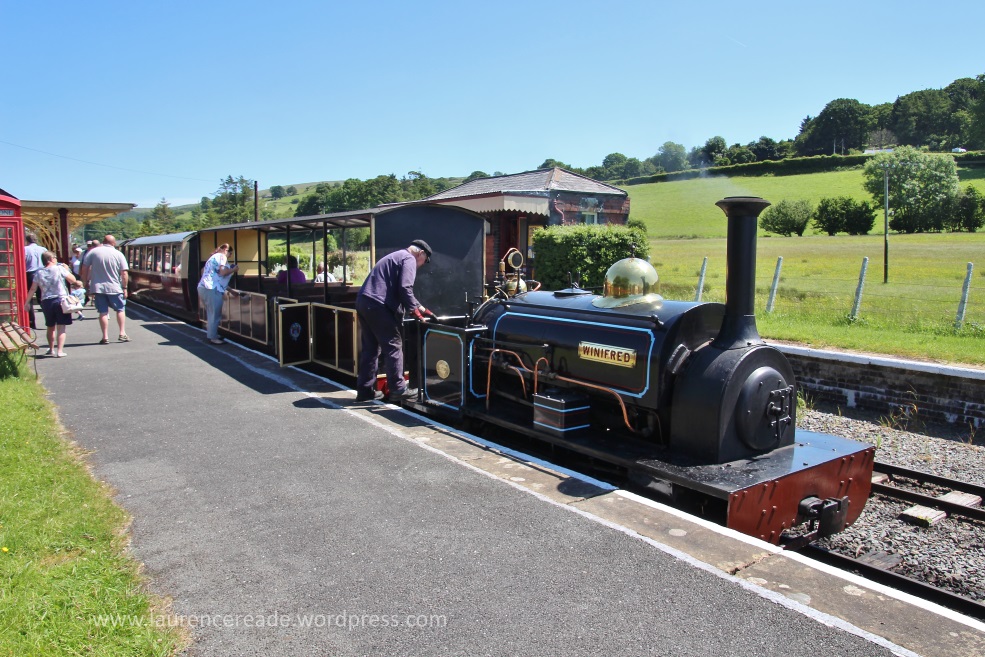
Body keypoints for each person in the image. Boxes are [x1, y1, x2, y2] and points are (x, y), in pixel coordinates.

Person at [354, 240, 434, 402]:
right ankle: (398, 388)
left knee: (370, 349)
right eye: (424, 261)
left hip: (364, 302)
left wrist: (423, 309)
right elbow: (405, 288)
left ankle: (365, 391)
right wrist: (414, 311)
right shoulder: (409, 258)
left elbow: (400, 289)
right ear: (421, 254)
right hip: (378, 305)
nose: (421, 265)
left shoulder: (396, 256)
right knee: (394, 346)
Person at [79, 234, 130, 344]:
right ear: (113, 243)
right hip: (115, 287)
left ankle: (105, 336)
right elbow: (124, 273)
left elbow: (84, 268)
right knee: (120, 309)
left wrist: (85, 282)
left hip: (98, 288)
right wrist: (125, 287)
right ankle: (122, 333)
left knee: (103, 312)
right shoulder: (118, 254)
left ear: (103, 241)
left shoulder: (93, 252)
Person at [24, 251, 76, 357]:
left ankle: (51, 349)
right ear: (51, 259)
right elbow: (73, 280)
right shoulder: (59, 268)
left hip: (46, 301)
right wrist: (67, 269)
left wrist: (27, 302)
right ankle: (60, 351)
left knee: (50, 326)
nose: (56, 259)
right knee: (61, 327)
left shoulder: (38, 273)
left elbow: (33, 289)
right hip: (61, 300)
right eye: (55, 257)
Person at [197, 243, 238, 345]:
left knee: (212, 313)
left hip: (204, 287)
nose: (230, 256)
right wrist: (234, 269)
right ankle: (213, 337)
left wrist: (231, 291)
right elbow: (223, 272)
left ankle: (212, 334)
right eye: (230, 253)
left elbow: (213, 277)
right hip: (211, 289)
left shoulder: (212, 258)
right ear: (225, 250)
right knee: (215, 314)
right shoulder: (221, 256)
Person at [24, 232, 47, 329]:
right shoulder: (43, 249)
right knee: (42, 298)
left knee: (28, 298)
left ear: (26, 240)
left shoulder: (25, 249)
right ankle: (49, 320)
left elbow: (22, 261)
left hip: (30, 274)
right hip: (42, 274)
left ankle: (31, 323)